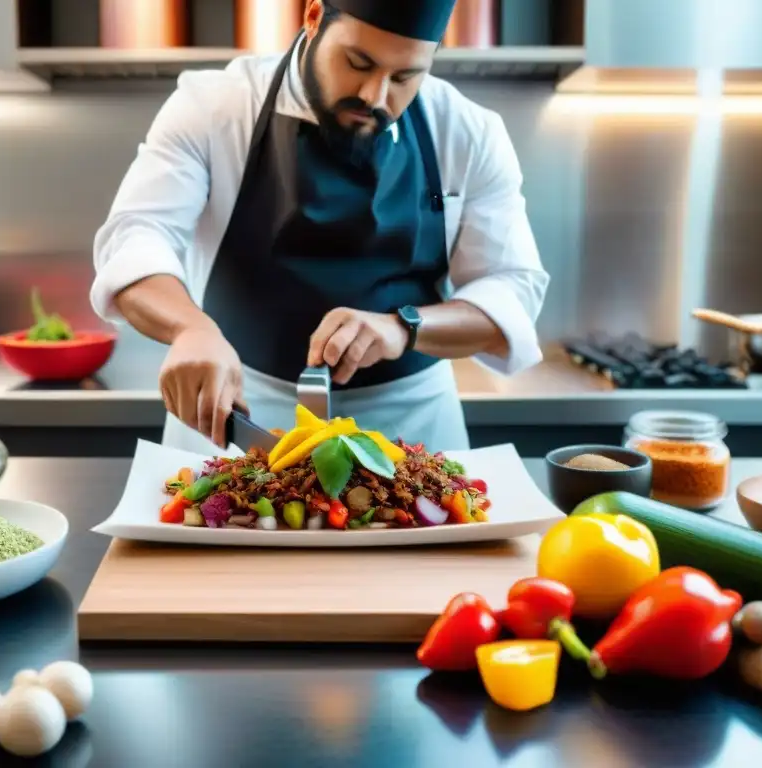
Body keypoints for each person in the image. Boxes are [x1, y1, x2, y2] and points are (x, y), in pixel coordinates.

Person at [91, 0, 549, 454]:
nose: (375, 95)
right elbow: (136, 236)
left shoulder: (468, 132)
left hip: (414, 425)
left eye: (406, 76)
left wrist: (405, 327)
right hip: (239, 416)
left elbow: (512, 290)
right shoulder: (216, 106)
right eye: (358, 62)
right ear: (312, 17)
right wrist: (189, 329)